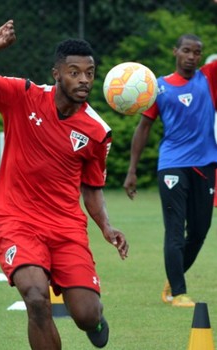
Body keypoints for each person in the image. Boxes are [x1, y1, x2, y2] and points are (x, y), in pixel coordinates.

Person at [0, 20, 129, 349]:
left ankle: (95, 319)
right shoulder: (22, 96)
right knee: (36, 299)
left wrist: (106, 226)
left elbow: (92, 187)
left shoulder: (97, 131)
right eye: (74, 72)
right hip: (16, 220)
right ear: (56, 73)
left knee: (85, 314)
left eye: (89, 73)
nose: (83, 80)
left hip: (66, 228)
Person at [123, 34, 217, 307]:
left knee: (199, 231)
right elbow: (143, 129)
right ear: (175, 51)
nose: (191, 56)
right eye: (186, 50)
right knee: (175, 230)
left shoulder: (209, 79)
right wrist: (132, 170)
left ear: (201, 56)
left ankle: (173, 277)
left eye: (197, 52)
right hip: (172, 165)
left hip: (206, 164)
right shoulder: (158, 88)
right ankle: (178, 292)